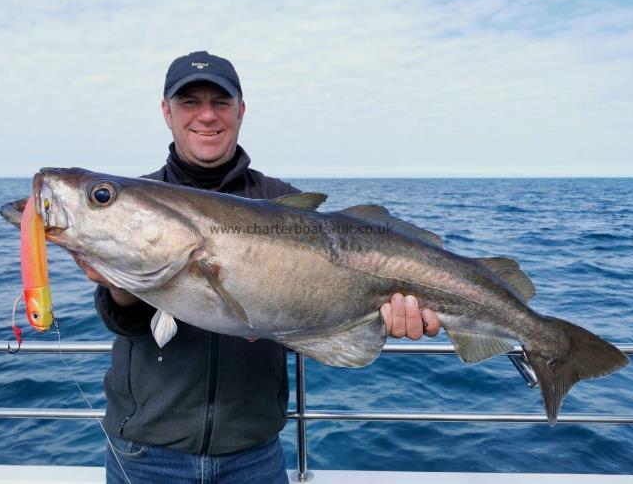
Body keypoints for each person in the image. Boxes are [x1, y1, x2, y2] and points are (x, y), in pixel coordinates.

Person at [74, 51, 441, 484]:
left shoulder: (284, 203)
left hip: (252, 454)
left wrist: (383, 319)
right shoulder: (137, 201)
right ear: (166, 112)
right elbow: (123, 321)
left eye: (221, 102)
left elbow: (308, 313)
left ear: (241, 111)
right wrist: (120, 285)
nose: (206, 116)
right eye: (190, 102)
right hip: (144, 451)